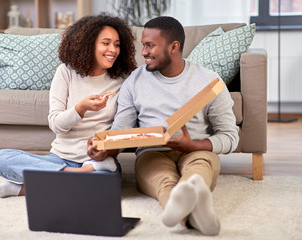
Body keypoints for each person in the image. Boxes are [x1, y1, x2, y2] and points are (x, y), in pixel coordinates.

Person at [87, 16, 239, 236]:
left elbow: (230, 137)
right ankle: (197, 214)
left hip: (197, 151)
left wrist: (193, 146)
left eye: (150, 45)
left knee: (197, 172)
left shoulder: (209, 81)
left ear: (174, 47)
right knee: (164, 183)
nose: (144, 52)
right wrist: (102, 151)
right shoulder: (134, 81)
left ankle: (182, 210)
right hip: (152, 153)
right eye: (143, 45)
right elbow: (120, 132)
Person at [0, 13, 137, 198]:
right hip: (60, 159)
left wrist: (104, 151)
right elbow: (56, 124)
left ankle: (26, 189)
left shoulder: (123, 80)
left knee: (107, 188)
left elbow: (122, 128)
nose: (113, 50)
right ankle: (77, 175)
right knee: (1, 158)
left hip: (96, 160)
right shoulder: (65, 72)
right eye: (106, 43)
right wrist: (80, 108)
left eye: (117, 45)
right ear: (88, 43)